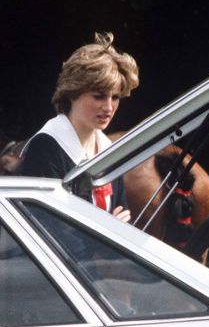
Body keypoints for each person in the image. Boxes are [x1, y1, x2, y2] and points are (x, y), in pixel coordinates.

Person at [21, 32, 137, 222]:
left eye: (115, 97)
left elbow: (124, 222)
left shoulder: (110, 151)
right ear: (73, 93)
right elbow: (45, 228)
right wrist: (107, 230)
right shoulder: (46, 147)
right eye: (99, 96)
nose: (109, 107)